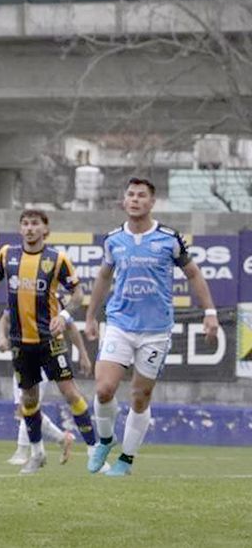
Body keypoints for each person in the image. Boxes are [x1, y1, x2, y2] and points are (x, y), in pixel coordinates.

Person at [84, 177, 219, 476]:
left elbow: (194, 274)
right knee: (104, 389)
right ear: (124, 200)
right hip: (119, 322)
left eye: (141, 195)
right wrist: (91, 316)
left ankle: (126, 461)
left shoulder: (169, 239)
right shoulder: (113, 239)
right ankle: (105, 440)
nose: (135, 199)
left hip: (156, 330)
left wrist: (209, 312)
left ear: (151, 202)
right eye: (130, 194)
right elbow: (104, 277)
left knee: (140, 396)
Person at [0, 209, 97, 474]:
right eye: (25, 224)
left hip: (49, 341)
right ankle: (37, 453)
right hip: (21, 342)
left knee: (70, 393)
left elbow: (77, 293)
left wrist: (64, 315)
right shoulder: (7, 254)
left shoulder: (57, 259)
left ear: (45, 230)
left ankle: (94, 452)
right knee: (28, 401)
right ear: (20, 229)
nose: (30, 228)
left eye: (35, 224)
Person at [0, 309, 92, 465]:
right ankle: (62, 439)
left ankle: (23, 451)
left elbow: (71, 326)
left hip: (43, 356)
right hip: (22, 354)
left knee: (28, 405)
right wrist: (1, 337)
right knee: (23, 409)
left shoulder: (51, 297)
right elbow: (5, 317)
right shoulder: (20, 291)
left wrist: (83, 354)